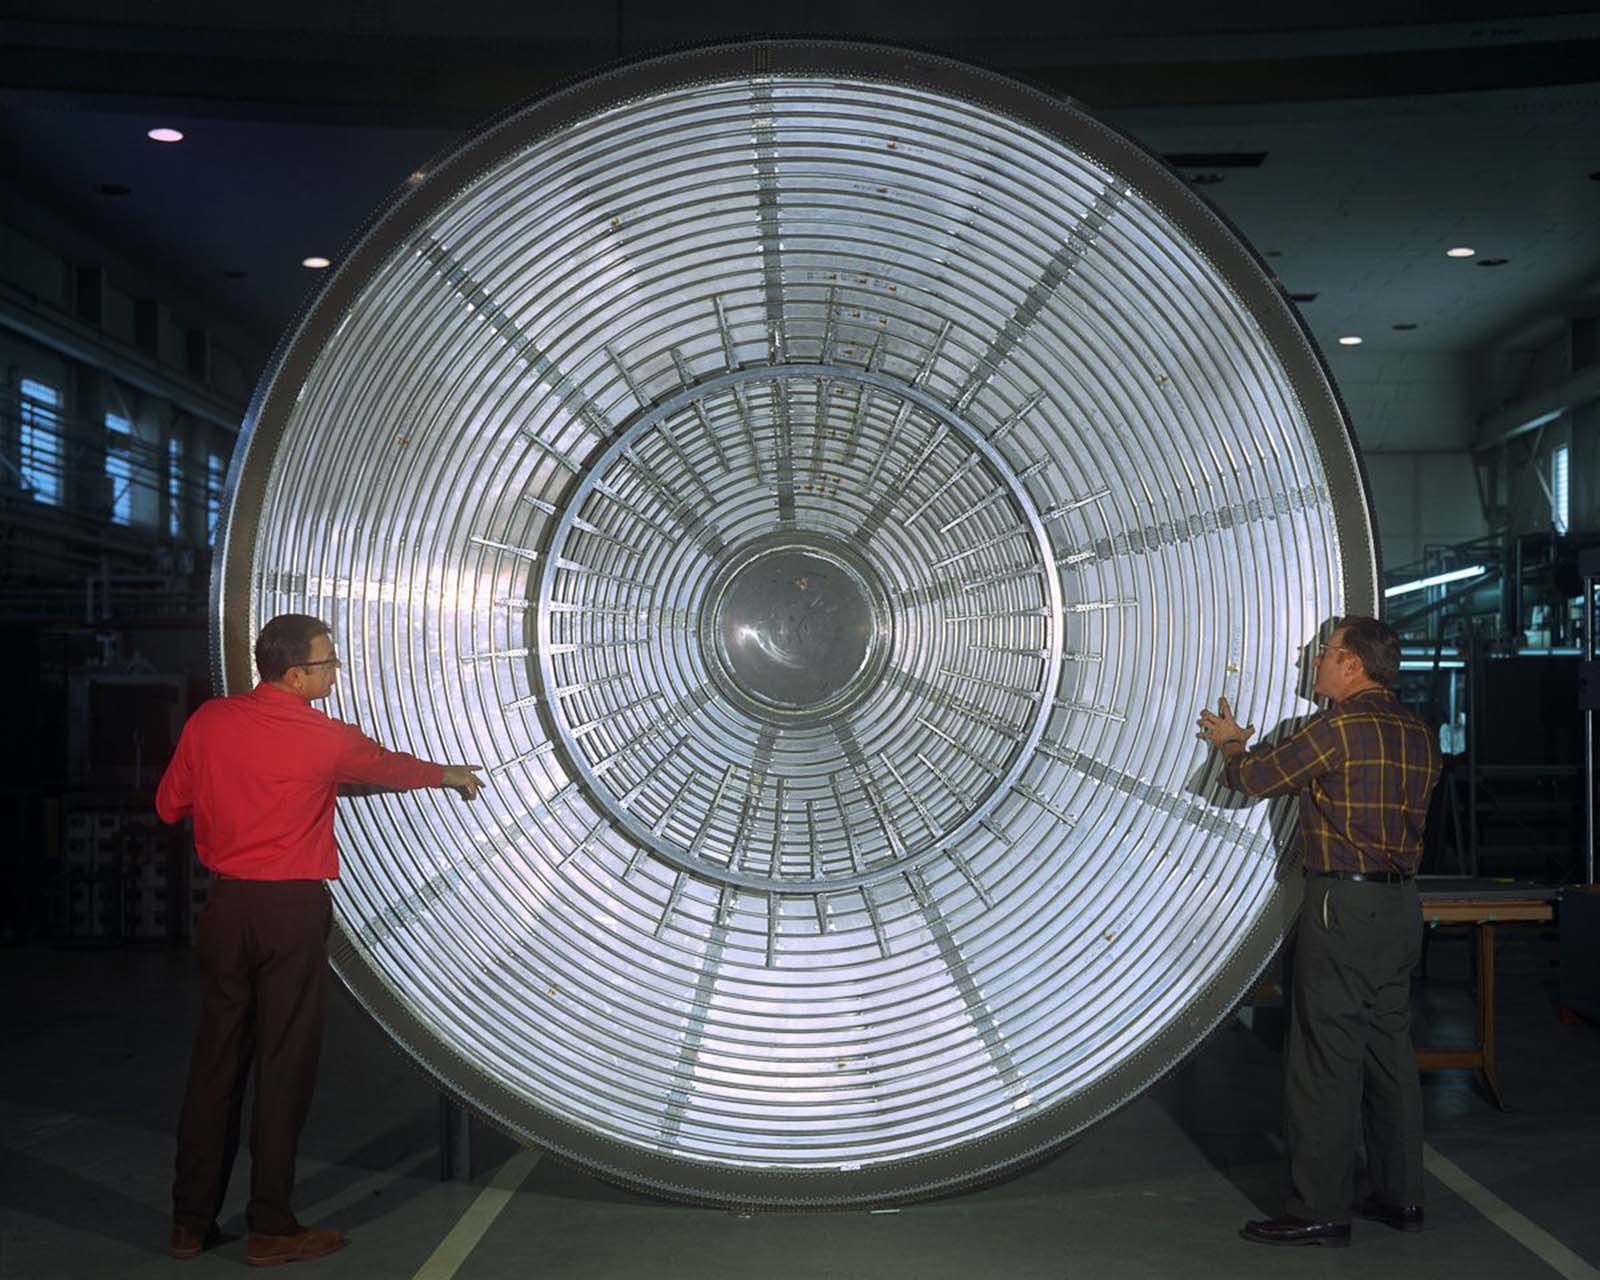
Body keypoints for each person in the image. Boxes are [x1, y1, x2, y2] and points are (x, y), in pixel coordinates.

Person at [156, 613, 484, 1266]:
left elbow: (171, 805)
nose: (337, 670)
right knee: (284, 1065)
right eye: (329, 661)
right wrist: (451, 774)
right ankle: (272, 1226)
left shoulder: (210, 722)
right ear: (296, 673)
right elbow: (389, 768)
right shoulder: (325, 736)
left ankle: (190, 1223)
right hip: (291, 911)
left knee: (216, 1062)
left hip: (225, 907)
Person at [1196, 615, 1441, 1249]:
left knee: (1323, 1057)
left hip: (1343, 905)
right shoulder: (1418, 734)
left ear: (1354, 665)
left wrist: (1231, 743)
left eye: (1325, 653)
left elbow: (1250, 780)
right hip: (1401, 907)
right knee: (1389, 1050)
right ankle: (1401, 1194)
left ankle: (1319, 1208)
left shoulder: (1337, 729)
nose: (1316, 662)